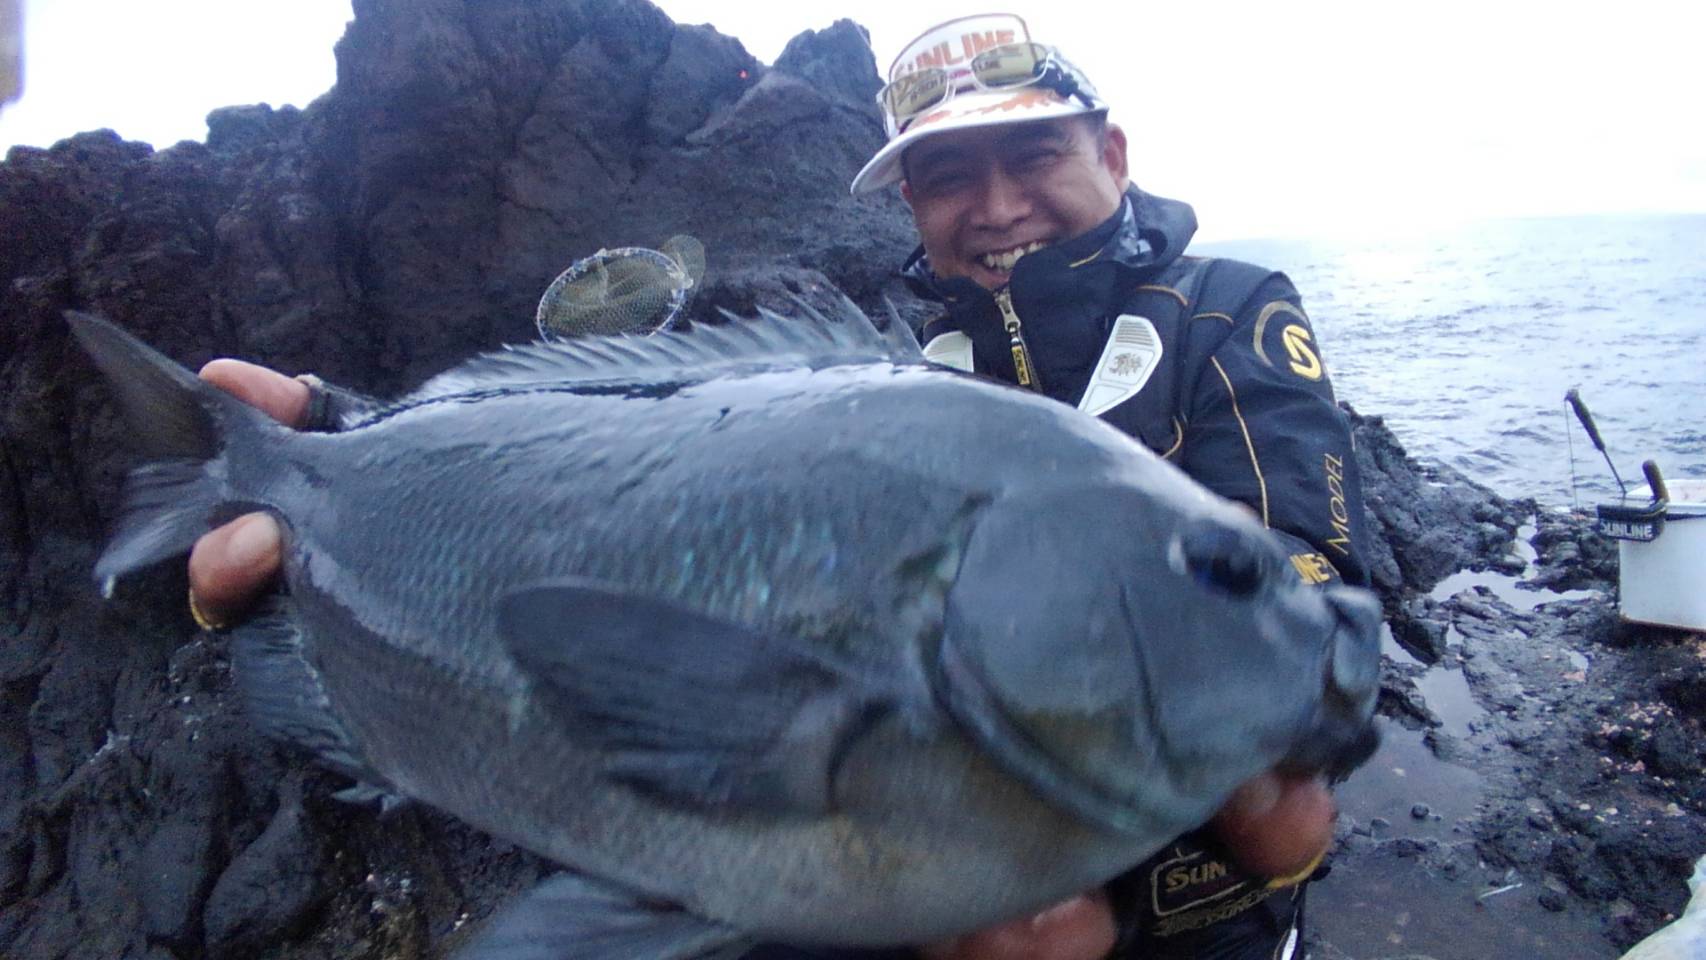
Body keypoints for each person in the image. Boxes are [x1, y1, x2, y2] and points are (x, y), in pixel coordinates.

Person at [186, 12, 1369, 959]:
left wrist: (1285, 696)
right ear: (908, 204)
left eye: (1034, 153)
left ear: (1111, 156)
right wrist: (339, 441)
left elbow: (1307, 560)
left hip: (1199, 923)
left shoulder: (1226, 309)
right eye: (949, 174)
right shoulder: (896, 367)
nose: (997, 202)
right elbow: (587, 473)